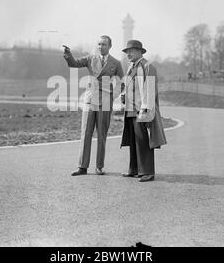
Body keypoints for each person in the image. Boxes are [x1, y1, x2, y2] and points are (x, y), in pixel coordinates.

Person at [63, 35, 124, 176]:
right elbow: (74, 63)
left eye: (103, 44)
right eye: (99, 44)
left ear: (110, 46)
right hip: (90, 100)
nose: (100, 46)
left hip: (105, 102)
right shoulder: (91, 58)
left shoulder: (116, 63)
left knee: (102, 135)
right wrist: (68, 55)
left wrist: (112, 96)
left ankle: (99, 166)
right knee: (85, 133)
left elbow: (121, 82)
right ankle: (82, 167)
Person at [120, 40, 167, 182]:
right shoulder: (130, 68)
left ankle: (147, 172)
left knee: (143, 140)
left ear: (140, 51)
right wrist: (123, 95)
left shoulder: (148, 67)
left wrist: (145, 109)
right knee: (133, 140)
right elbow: (127, 85)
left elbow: (150, 90)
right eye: (127, 51)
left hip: (142, 109)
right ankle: (134, 169)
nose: (128, 54)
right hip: (130, 110)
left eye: (131, 51)